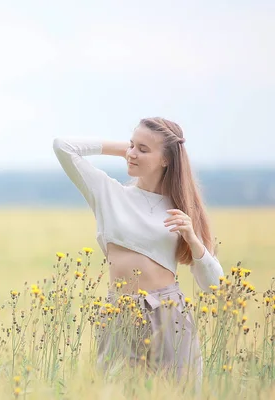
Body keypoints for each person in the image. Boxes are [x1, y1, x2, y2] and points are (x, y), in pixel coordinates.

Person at [52, 117, 224, 389]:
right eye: (132, 145)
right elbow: (63, 146)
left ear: (166, 159)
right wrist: (133, 150)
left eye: (143, 149)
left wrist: (192, 239)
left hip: (168, 313)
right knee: (114, 391)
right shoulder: (108, 193)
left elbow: (215, 285)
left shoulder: (182, 208)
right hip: (119, 311)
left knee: (177, 392)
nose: (132, 153)